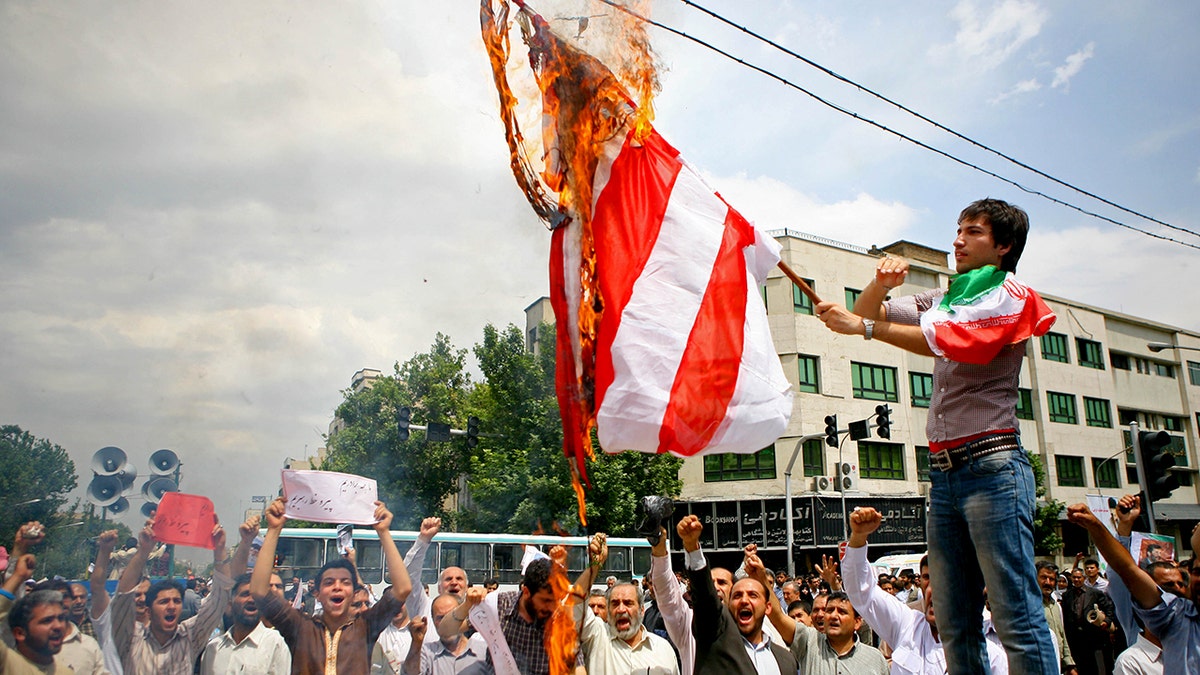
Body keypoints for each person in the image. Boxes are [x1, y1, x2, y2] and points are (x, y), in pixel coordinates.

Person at [817, 198, 1058, 674]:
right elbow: (867, 311)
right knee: (953, 619)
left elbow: (948, 340)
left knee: (1014, 615)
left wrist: (865, 327)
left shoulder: (1009, 294)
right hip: (945, 474)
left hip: (993, 466)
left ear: (1004, 245)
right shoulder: (948, 297)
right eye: (958, 229)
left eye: (973, 232)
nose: (958, 240)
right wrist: (879, 285)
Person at [251, 497, 413, 674]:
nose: (337, 587)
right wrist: (274, 530)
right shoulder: (300, 627)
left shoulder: (365, 627)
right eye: (329, 583)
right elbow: (259, 591)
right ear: (317, 593)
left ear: (353, 594)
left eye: (345, 582)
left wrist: (383, 532)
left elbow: (402, 588)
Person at [843, 507, 1005, 675]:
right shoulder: (908, 626)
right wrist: (859, 537)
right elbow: (862, 592)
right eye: (928, 578)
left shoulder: (991, 658)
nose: (932, 590)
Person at [1066, 502, 1199, 672]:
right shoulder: (1174, 618)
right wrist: (1096, 526)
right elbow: (1126, 570)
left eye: (1180, 583)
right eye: (1166, 586)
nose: (1175, 589)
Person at [111, 513, 249, 675]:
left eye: (176, 601)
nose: (171, 606)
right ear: (148, 610)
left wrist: (219, 550)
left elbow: (219, 600)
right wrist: (144, 551)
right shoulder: (130, 637)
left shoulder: (189, 636)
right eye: (163, 602)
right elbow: (123, 597)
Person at [677, 515, 798, 674]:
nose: (744, 600)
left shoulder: (785, 660)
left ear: (768, 607)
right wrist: (692, 547)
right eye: (737, 595)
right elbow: (706, 599)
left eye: (753, 595)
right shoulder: (716, 638)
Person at [574, 534, 677, 675]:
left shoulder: (662, 648)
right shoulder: (597, 636)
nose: (621, 609)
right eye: (615, 604)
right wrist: (594, 566)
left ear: (642, 610)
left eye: (628, 603)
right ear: (608, 611)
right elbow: (574, 606)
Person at [646, 521, 736, 675]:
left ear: (734, 591)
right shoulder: (688, 624)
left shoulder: (750, 627)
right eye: (710, 582)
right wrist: (659, 548)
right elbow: (667, 594)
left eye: (722, 582)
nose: (714, 588)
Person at [199, 571, 290, 675]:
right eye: (245, 594)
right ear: (230, 603)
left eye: (255, 595)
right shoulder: (214, 648)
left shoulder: (274, 643)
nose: (251, 600)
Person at [29, 578, 108, 675]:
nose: (60, 601)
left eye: (65, 596)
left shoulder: (89, 645)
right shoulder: (26, 645)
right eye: (53, 597)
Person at [1060, 566, 1118, 675]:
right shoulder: (1067, 595)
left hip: (1093, 638)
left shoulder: (1095, 593)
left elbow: (1109, 609)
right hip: (1074, 639)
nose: (1076, 580)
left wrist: (1106, 621)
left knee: (1096, 667)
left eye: (1079, 577)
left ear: (1084, 578)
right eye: (1074, 577)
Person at [1035, 561, 1074, 674]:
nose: (1048, 582)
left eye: (1051, 579)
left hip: (1058, 663)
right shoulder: (1030, 606)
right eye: (1044, 578)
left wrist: (1069, 663)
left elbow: (1062, 634)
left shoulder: (1056, 606)